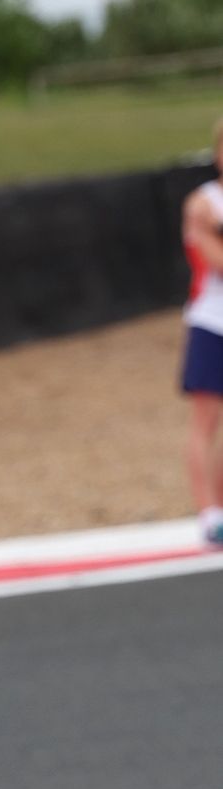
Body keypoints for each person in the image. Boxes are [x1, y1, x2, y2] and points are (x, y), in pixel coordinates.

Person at [180, 117, 223, 547]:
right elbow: (213, 259)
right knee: (206, 420)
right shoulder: (203, 203)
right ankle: (209, 514)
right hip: (212, 322)